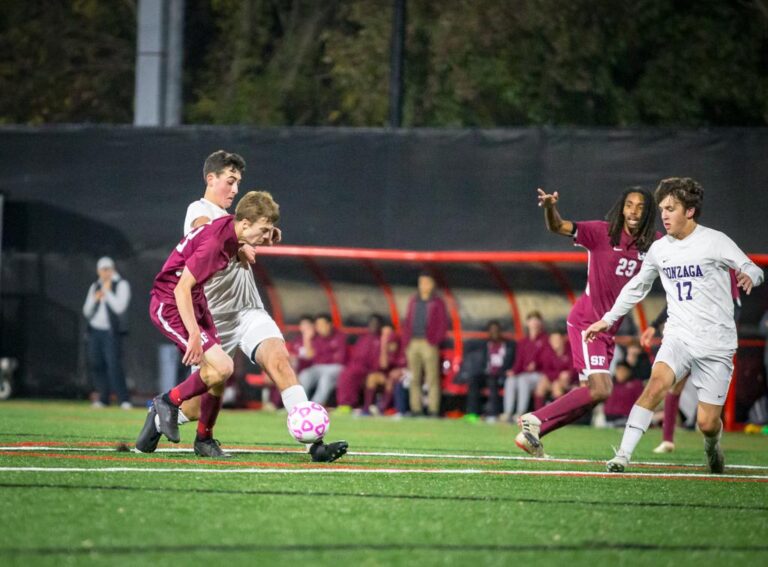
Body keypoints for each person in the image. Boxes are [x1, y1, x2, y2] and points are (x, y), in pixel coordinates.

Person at [136, 150, 347, 462]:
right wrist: (245, 242)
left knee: (279, 360)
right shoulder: (201, 210)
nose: (234, 190)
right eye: (230, 181)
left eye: (238, 184)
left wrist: (258, 233)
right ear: (211, 179)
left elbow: (235, 231)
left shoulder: (239, 223)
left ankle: (314, 444)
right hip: (213, 315)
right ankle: (159, 418)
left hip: (248, 310)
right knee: (197, 403)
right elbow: (206, 227)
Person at [583, 177, 764, 473]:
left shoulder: (714, 240)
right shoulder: (659, 249)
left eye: (671, 208)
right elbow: (637, 286)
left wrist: (749, 276)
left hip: (716, 342)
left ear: (689, 211)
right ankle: (622, 456)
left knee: (707, 423)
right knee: (656, 385)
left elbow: (753, 270)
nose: (664, 215)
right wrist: (608, 318)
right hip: (678, 336)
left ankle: (711, 445)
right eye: (662, 208)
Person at [515, 186, 660, 457]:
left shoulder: (656, 244)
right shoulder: (601, 232)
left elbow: (686, 253)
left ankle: (533, 434)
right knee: (601, 389)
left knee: (590, 394)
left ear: (648, 211)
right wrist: (549, 207)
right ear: (621, 207)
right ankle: (533, 418)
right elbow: (557, 226)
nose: (633, 211)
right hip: (587, 323)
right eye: (629, 204)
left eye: (640, 206)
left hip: (607, 329)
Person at [641, 269, 741, 453]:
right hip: (688, 338)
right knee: (675, 386)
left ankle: (712, 433)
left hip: (713, 342)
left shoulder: (724, 268)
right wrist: (655, 325)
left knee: (712, 396)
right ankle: (667, 440)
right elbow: (676, 301)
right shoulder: (689, 264)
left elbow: (736, 305)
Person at [82, 256, 131, 409]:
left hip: (111, 332)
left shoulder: (121, 284)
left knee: (113, 365)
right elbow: (86, 311)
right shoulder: (95, 286)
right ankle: (103, 398)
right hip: (95, 330)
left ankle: (124, 399)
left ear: (113, 269)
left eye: (107, 269)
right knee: (97, 364)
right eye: (102, 270)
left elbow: (119, 308)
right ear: (98, 271)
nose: (105, 273)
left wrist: (107, 292)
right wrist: (96, 298)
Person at [402, 272, 449, 416]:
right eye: (421, 282)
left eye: (426, 282)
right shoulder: (413, 301)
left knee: (432, 378)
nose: (423, 286)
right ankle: (416, 409)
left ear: (432, 284)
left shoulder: (437, 302)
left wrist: (435, 340)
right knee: (414, 378)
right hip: (413, 342)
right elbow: (407, 321)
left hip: (429, 343)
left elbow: (442, 323)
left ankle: (433, 409)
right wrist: (406, 342)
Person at [465, 321, 515, 423]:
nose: (494, 333)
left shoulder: (508, 345)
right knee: (474, 380)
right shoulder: (485, 345)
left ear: (500, 331)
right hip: (487, 373)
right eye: (492, 330)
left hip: (501, 374)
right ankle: (473, 413)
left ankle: (492, 414)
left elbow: (512, 361)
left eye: (496, 330)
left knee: (492, 382)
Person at [502, 312, 549, 421]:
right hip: (524, 373)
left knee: (523, 380)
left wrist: (536, 364)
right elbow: (519, 361)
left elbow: (547, 359)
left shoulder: (545, 340)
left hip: (539, 373)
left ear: (541, 323)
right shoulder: (523, 342)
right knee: (511, 380)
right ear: (527, 323)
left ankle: (520, 413)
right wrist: (513, 371)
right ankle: (507, 412)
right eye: (532, 320)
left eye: (537, 320)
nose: (534, 323)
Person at [336, 314, 386, 412]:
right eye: (371, 323)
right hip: (355, 366)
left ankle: (348, 404)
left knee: (350, 374)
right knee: (345, 373)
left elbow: (379, 361)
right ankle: (343, 404)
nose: (373, 326)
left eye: (376, 323)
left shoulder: (381, 339)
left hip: (368, 368)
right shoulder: (364, 338)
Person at [298, 314, 347, 405]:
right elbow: (310, 356)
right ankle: (299, 405)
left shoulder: (339, 336)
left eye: (322, 325)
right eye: (317, 325)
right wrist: (307, 339)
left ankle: (315, 406)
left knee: (325, 378)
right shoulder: (316, 337)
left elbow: (338, 358)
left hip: (336, 367)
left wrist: (322, 358)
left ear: (329, 325)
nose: (319, 328)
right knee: (304, 375)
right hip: (318, 367)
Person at [534, 330, 578, 411]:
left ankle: (561, 414)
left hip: (570, 381)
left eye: (557, 339)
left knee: (557, 385)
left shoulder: (571, 350)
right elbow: (546, 371)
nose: (555, 342)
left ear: (563, 339)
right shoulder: (547, 352)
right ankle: (538, 414)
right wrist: (558, 376)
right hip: (554, 379)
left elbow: (574, 369)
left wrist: (566, 375)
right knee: (541, 385)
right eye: (552, 340)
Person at [603, 362, 645, 427]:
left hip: (626, 418)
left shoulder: (635, 385)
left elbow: (642, 402)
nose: (621, 373)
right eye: (618, 370)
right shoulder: (610, 384)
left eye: (623, 370)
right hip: (607, 419)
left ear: (629, 372)